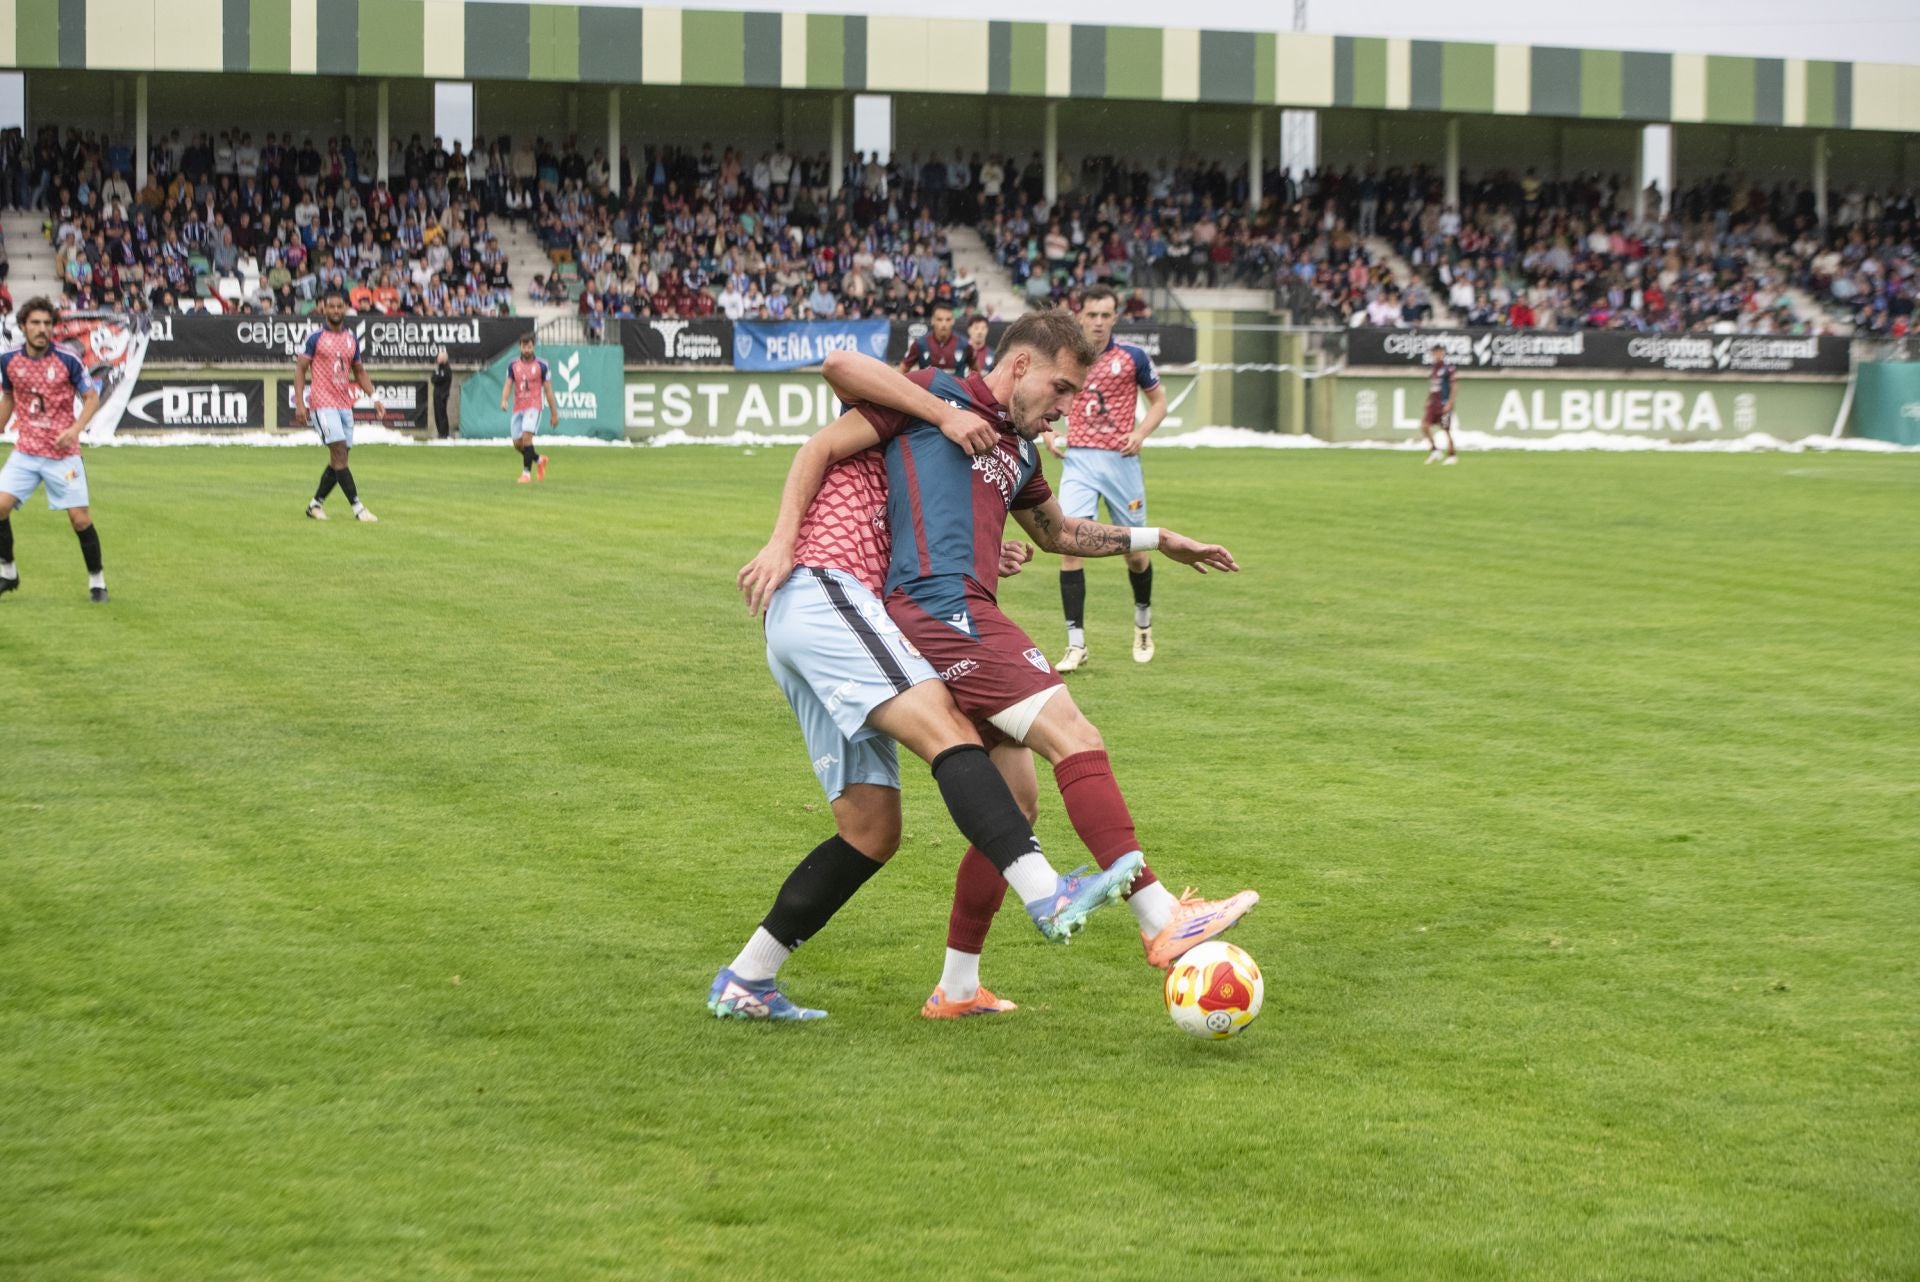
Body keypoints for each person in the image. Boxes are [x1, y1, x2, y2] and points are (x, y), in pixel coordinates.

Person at [811, 321, 1257, 1014]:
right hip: (938, 609)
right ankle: (1161, 918)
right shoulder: (938, 392)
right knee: (1074, 735)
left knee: (1015, 805)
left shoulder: (1021, 451)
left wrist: (1157, 537)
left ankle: (958, 987)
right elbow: (838, 364)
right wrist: (942, 413)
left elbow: (1057, 533)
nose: (1067, 408)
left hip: (965, 607)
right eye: (1061, 388)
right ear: (1020, 364)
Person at [717, 355, 1146, 1023]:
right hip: (825, 590)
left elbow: (929, 525)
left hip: (822, 617)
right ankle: (1044, 890)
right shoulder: (929, 403)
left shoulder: (921, 455)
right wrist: (781, 541)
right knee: (946, 726)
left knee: (870, 832)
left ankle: (748, 978)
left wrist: (987, 546)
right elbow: (837, 373)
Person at [1039, 285, 1168, 670]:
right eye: (1091, 315)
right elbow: (1042, 397)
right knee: (1069, 546)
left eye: (1105, 315)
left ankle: (1143, 621)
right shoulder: (1064, 357)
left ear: (1115, 317)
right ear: (1080, 316)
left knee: (1135, 553)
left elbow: (1159, 402)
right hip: (1078, 460)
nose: (1097, 322)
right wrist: (1047, 433)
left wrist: (1140, 433)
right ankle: (1076, 643)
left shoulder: (1132, 357)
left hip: (1120, 462)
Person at [0, 297, 106, 603]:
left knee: (80, 519)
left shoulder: (68, 359)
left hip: (64, 455)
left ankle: (97, 581)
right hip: (26, 451)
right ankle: (8, 572)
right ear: (23, 326)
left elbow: (91, 398)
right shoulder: (9, 361)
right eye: (35, 323)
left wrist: (74, 430)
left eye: (47, 323)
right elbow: (9, 396)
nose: (42, 329)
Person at [294, 288, 383, 522]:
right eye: (331, 306)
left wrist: (374, 398)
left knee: (339, 460)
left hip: (344, 404)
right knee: (340, 453)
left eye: (339, 306)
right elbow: (300, 368)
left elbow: (359, 371)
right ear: (324, 308)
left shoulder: (351, 339)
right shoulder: (315, 338)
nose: (335, 310)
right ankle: (358, 508)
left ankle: (315, 505)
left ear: (345, 308)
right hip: (322, 404)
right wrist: (301, 404)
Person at [498, 334, 555, 483]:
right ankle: (539, 459)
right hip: (518, 407)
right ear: (520, 347)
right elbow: (508, 384)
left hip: (534, 406)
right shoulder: (513, 365)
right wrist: (504, 400)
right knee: (518, 444)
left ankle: (526, 474)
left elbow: (548, 390)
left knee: (527, 437)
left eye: (529, 346)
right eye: (524, 347)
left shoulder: (542, 365)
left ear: (533, 346)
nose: (527, 349)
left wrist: (554, 414)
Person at [900, 301, 963, 373]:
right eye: (940, 319)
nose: (944, 324)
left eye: (948, 319)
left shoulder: (964, 344)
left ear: (953, 321)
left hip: (955, 384)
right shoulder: (920, 343)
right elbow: (902, 369)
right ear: (932, 320)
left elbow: (976, 371)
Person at [1421, 343, 1458, 465]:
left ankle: (1452, 455)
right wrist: (1428, 400)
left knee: (1446, 429)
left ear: (1443, 354)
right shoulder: (1434, 369)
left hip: (1443, 403)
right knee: (1424, 426)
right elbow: (1433, 387)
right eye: (1435, 353)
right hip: (1433, 404)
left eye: (1440, 352)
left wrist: (1450, 403)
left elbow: (1454, 386)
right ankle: (1435, 450)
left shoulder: (1448, 369)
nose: (1437, 355)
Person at [431, 347, 453, 439]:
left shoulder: (447, 369)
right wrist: (437, 377)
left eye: (439, 358)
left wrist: (438, 377)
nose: (437, 359)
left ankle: (444, 434)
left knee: (442, 414)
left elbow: (441, 378)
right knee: (437, 415)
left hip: (442, 395)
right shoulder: (438, 368)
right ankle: (440, 432)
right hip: (436, 394)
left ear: (444, 358)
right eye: (437, 357)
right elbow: (433, 379)